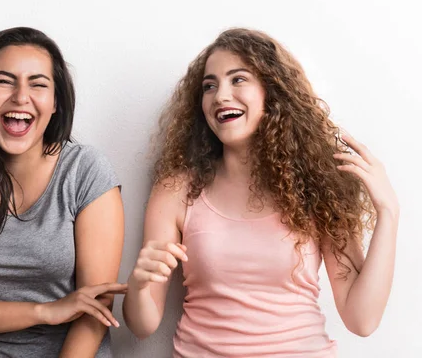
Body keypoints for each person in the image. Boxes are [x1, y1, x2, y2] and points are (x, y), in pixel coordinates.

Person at [123, 28, 399, 357]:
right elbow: (143, 325)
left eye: (238, 80)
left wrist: (389, 213)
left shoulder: (317, 187)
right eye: (209, 86)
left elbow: (362, 320)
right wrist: (138, 286)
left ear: (272, 92)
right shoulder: (176, 190)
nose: (220, 95)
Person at [0, 27, 125, 358]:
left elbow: (94, 312)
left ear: (55, 102)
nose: (20, 96)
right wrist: (44, 311)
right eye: (4, 81)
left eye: (38, 84)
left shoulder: (85, 170)